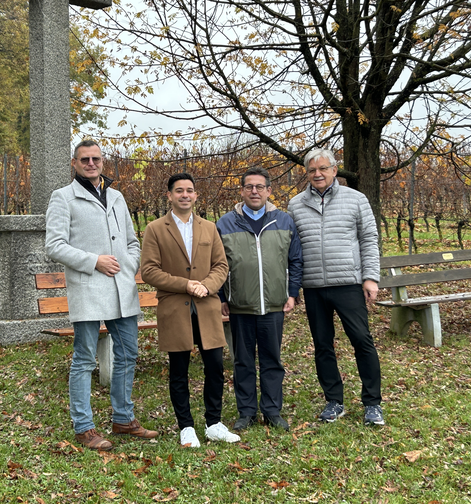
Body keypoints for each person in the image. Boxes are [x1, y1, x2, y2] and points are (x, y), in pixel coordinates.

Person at [45, 140, 158, 451]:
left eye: (95, 158)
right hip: (89, 288)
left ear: (103, 163)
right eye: (84, 159)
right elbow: (54, 245)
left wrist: (128, 265)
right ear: (74, 162)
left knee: (128, 354)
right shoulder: (63, 198)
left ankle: (123, 418)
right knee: (84, 359)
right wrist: (94, 261)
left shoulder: (117, 197)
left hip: (122, 290)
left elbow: (133, 241)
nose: (90, 163)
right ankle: (84, 428)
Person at [140, 172, 240, 447]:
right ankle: (186, 427)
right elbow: (148, 270)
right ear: (169, 195)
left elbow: (221, 265)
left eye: (190, 191)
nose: (185, 195)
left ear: (196, 195)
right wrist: (186, 285)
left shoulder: (209, 228)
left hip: (207, 307)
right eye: (179, 191)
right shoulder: (155, 229)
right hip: (175, 307)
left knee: (215, 366)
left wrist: (206, 287)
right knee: (179, 369)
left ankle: (214, 423)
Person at [287, 148, 385, 426]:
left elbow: (369, 239)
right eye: (311, 170)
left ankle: (372, 403)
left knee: (362, 341)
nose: (317, 174)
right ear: (306, 173)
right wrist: (292, 288)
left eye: (323, 168)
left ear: (334, 170)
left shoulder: (356, 199)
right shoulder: (295, 204)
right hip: (314, 286)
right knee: (322, 345)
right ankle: (334, 400)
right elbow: (292, 250)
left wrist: (370, 277)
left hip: (348, 284)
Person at [215, 167, 303, 432]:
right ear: (241, 190)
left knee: (271, 360)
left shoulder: (284, 221)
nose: (255, 191)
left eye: (260, 187)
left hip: (274, 304)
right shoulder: (226, 223)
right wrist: (222, 296)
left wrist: (292, 292)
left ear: (269, 191)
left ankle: (272, 410)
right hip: (240, 304)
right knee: (242, 361)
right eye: (249, 187)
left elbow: (295, 260)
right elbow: (218, 263)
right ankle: (247, 412)